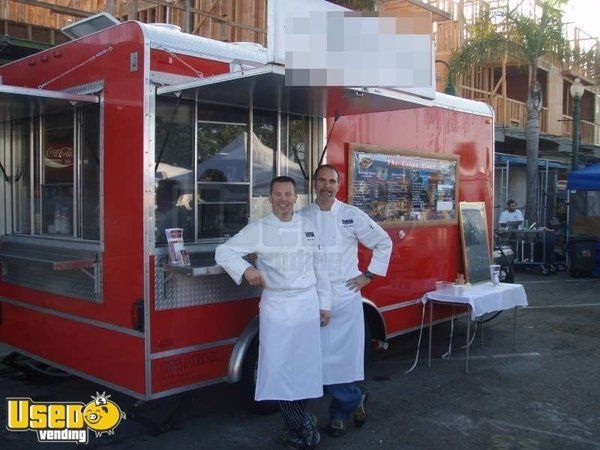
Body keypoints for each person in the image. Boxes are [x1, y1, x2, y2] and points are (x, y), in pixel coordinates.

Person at [215, 176, 331, 449]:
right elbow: (224, 251)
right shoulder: (259, 229)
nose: (283, 199)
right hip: (277, 307)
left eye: (288, 194)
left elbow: (320, 266)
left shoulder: (307, 226)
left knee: (303, 369)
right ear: (269, 198)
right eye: (277, 194)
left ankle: (295, 427)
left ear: (295, 197)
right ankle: (301, 425)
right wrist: (246, 269)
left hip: (306, 304)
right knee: (279, 370)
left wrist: (325, 304)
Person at [299, 165, 392, 437]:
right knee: (319, 360)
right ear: (314, 183)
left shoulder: (352, 215)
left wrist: (369, 275)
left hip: (346, 295)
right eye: (322, 180)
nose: (326, 186)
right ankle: (354, 399)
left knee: (343, 360)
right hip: (316, 296)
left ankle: (339, 413)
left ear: (338, 186)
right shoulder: (302, 217)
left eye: (332, 181)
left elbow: (383, 242)